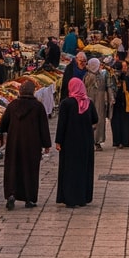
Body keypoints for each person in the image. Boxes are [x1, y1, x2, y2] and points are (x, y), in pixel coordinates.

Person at [0, 80, 52, 209]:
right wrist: (46, 144)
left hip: (14, 144)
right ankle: (29, 199)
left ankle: (11, 194)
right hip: (32, 144)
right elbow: (43, 127)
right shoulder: (38, 106)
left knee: (13, 168)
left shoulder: (13, 105)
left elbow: (3, 125)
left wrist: (4, 133)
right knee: (30, 170)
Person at [55, 77, 98, 207]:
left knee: (70, 169)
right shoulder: (88, 103)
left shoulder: (66, 103)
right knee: (83, 168)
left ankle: (70, 198)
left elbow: (61, 124)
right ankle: (82, 197)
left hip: (70, 142)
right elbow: (95, 119)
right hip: (85, 142)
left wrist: (58, 141)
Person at [110, 59, 129, 148]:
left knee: (122, 123)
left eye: (125, 66)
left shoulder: (126, 77)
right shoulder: (116, 78)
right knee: (120, 123)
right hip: (121, 104)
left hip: (123, 104)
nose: (125, 68)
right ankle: (120, 141)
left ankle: (121, 141)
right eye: (124, 66)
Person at [86, 58, 111, 150]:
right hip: (96, 101)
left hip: (93, 101)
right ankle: (97, 142)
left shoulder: (89, 76)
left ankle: (95, 141)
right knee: (98, 120)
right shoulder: (92, 76)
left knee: (96, 120)